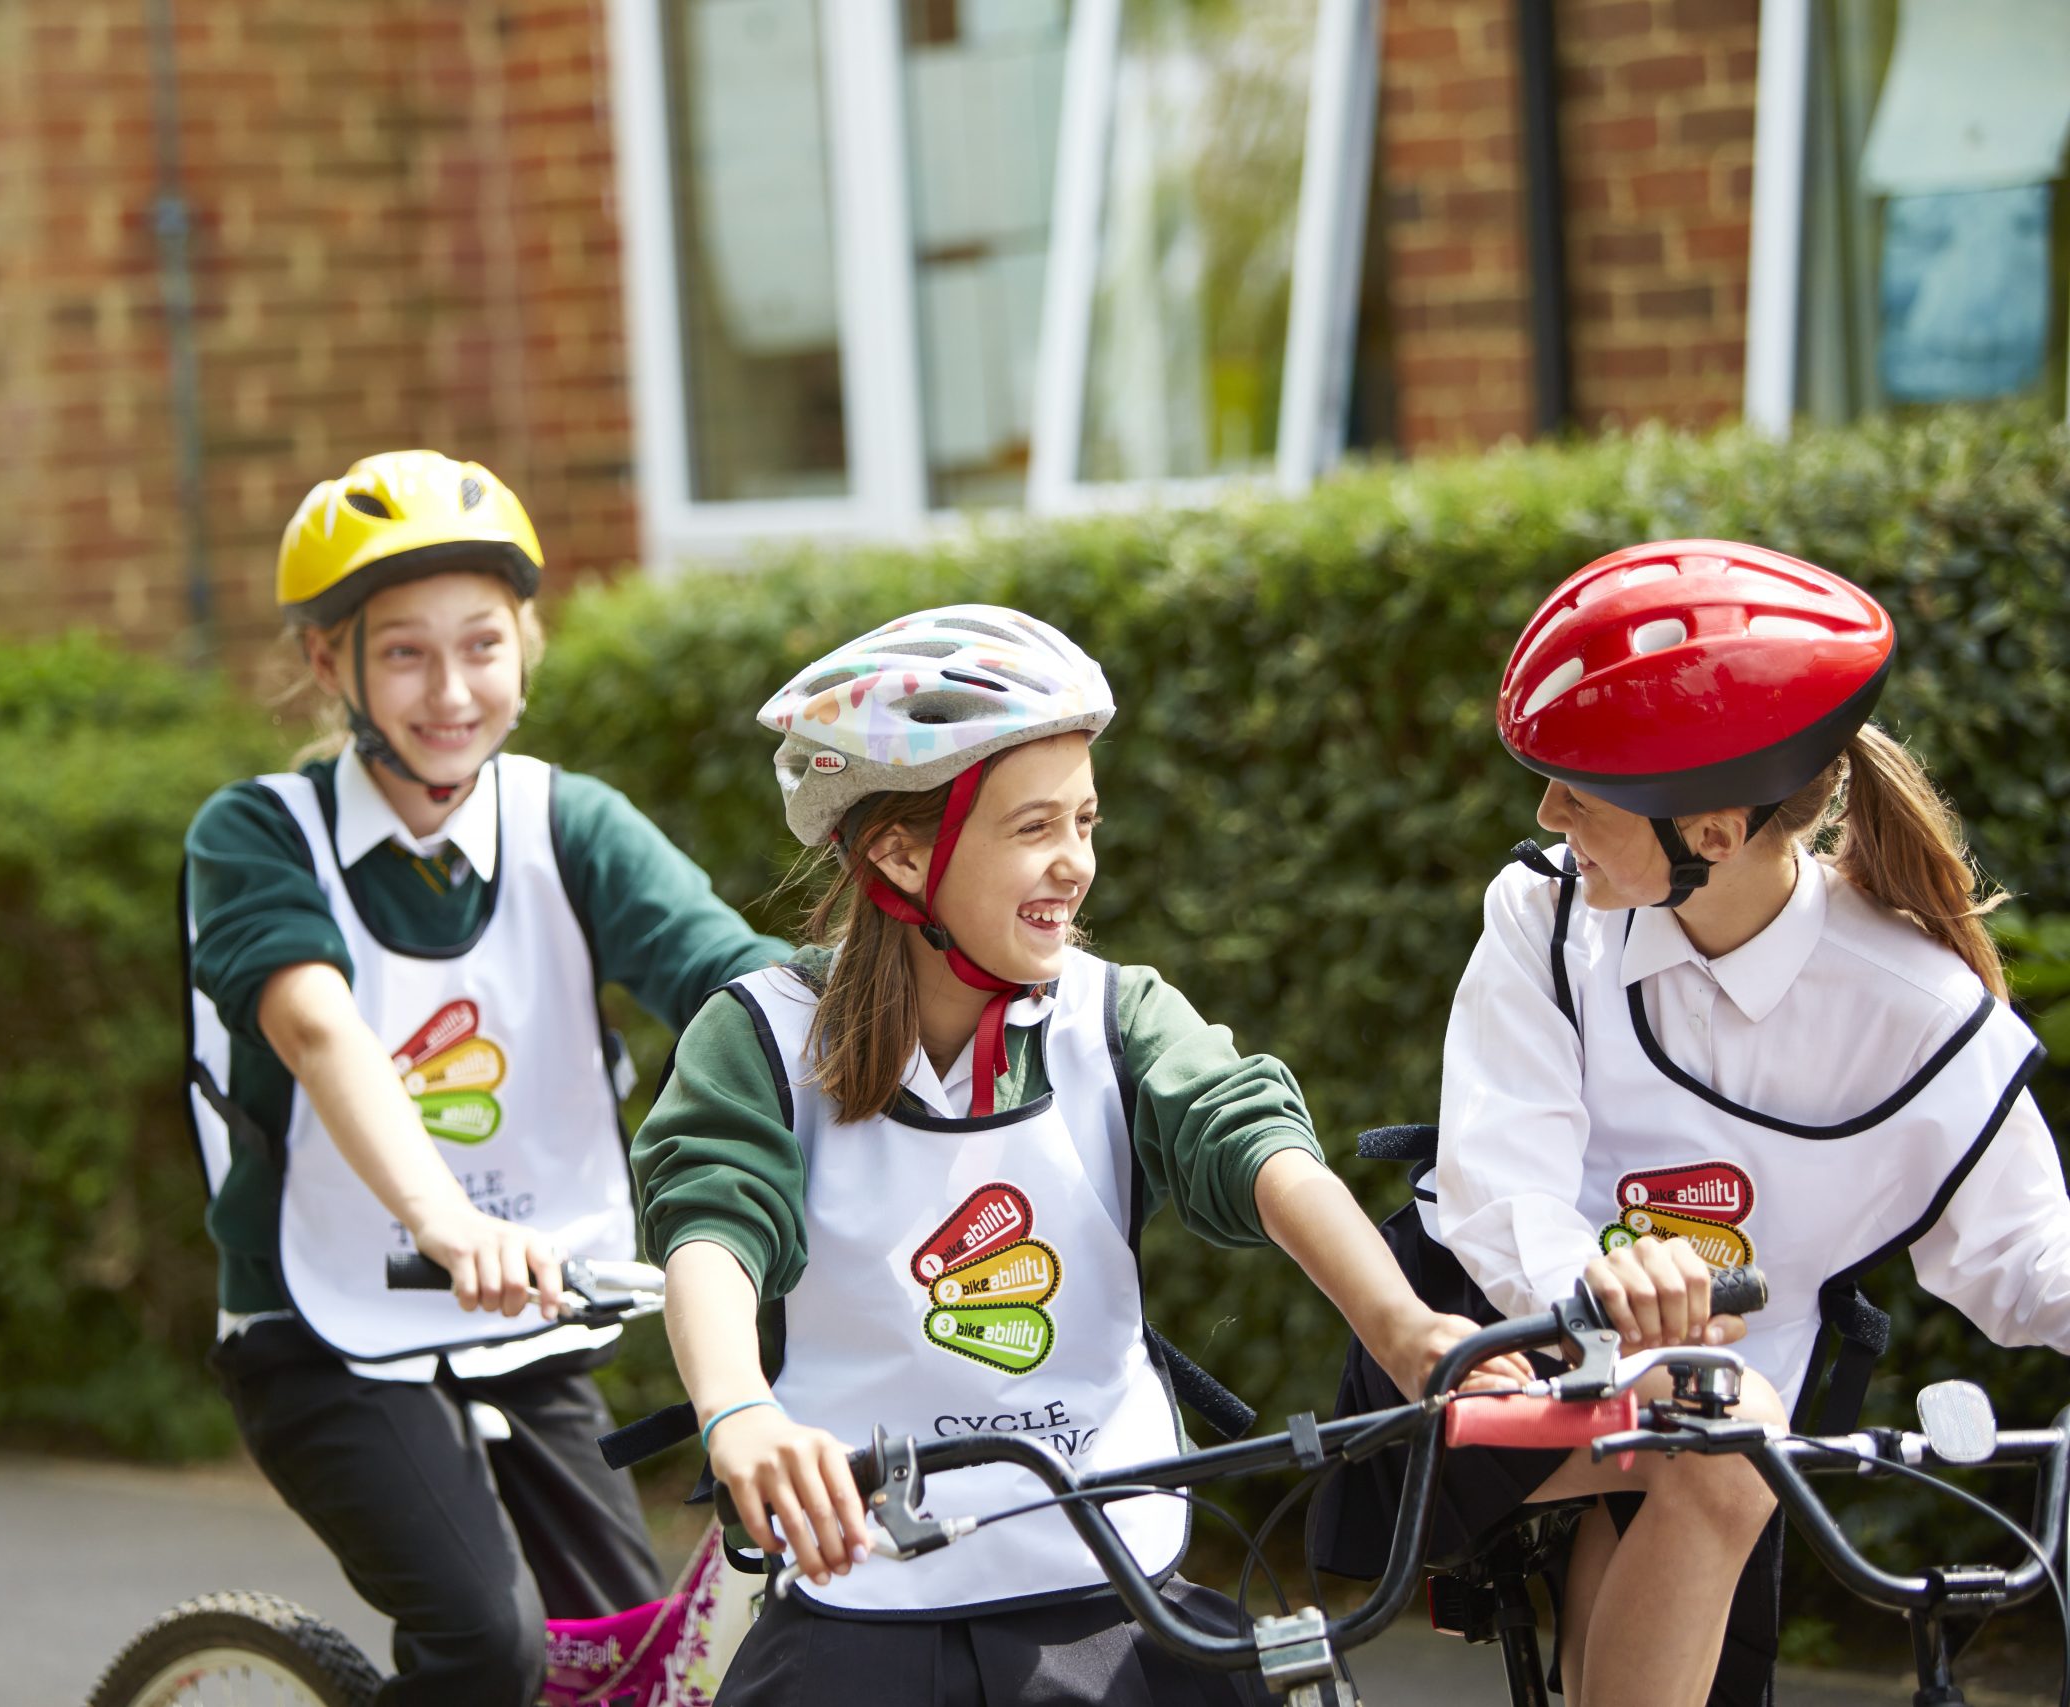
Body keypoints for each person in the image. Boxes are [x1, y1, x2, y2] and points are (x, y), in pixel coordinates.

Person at [632, 604, 1527, 1707]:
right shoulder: (763, 1031)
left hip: (1106, 1570)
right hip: (861, 1579)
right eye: (1032, 829)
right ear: (900, 854)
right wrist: (738, 1413)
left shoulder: (1113, 1015)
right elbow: (711, 1228)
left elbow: (1254, 1145)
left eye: (1085, 823)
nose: (1076, 865)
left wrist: (1405, 1329)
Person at [1314, 539, 2070, 1707]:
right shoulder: (1542, 915)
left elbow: (2024, 1261)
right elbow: (1493, 1189)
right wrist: (1601, 1288)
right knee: (1717, 1434)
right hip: (1490, 1355)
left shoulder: (1916, 1008)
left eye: (1580, 789)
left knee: (1715, 1448)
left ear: (1710, 834)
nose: (1545, 810)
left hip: (1719, 1432)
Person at [182, 449, 787, 1706]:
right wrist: (445, 1221)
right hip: (324, 1327)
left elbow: (738, 988)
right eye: (402, 652)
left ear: (528, 645)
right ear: (326, 665)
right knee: (486, 1647)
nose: (451, 690)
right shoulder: (254, 837)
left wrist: (920, 1023)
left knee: (637, 1665)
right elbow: (319, 1031)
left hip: (526, 1320)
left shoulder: (573, 825)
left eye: (482, 644)